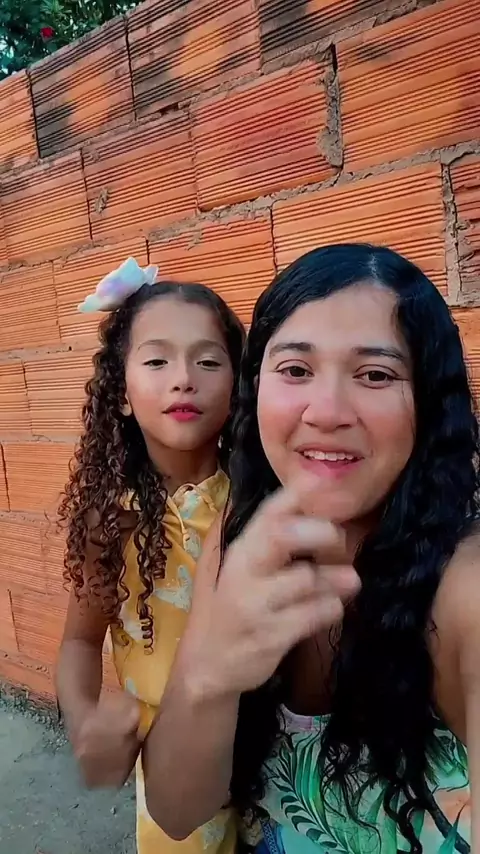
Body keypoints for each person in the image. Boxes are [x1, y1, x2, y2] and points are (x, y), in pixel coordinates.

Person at [142, 243, 480, 854]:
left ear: (428, 401)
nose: (326, 413)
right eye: (296, 370)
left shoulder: (463, 583)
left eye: (375, 375)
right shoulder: (243, 533)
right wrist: (209, 676)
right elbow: (175, 809)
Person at [56, 257, 245, 854]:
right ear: (121, 394)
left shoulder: (257, 501)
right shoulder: (112, 519)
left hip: (274, 751)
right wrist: (85, 722)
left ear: (239, 385)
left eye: (208, 361)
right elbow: (79, 642)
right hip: (170, 765)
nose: (183, 378)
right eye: (157, 360)